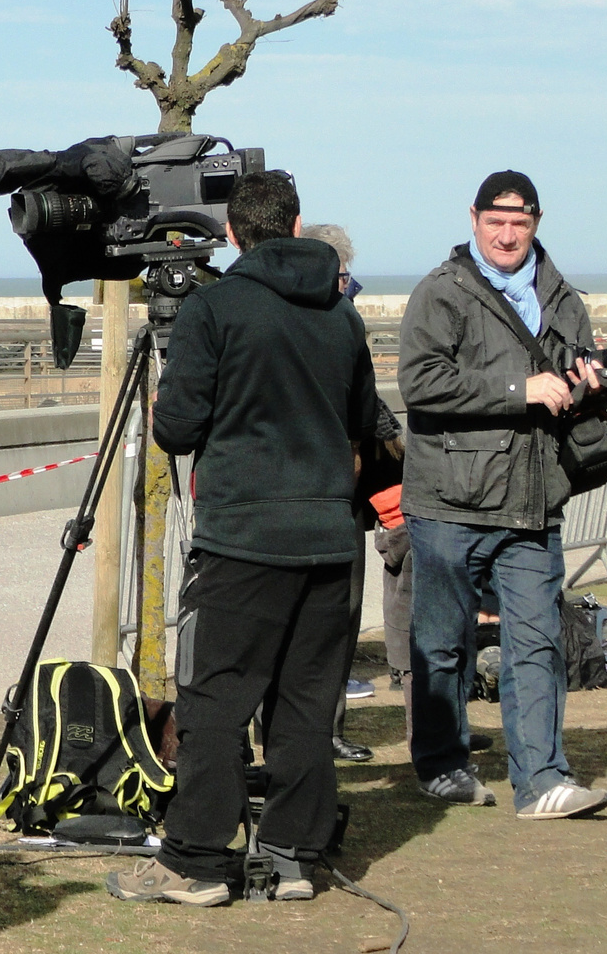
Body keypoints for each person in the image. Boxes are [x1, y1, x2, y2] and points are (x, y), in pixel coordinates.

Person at [107, 172, 377, 907]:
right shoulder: (340, 315)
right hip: (328, 539)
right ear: (294, 228)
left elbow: (176, 427)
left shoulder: (215, 307)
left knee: (215, 700)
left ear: (232, 234)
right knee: (305, 702)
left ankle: (194, 859)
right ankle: (291, 854)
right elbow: (363, 420)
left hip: (242, 541)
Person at [399, 170, 607, 819]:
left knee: (536, 638)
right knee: (441, 640)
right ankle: (441, 764)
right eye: (495, 221)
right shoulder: (441, 291)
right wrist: (517, 390)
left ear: (535, 223)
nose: (506, 234)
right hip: (449, 500)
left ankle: (541, 778)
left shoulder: (560, 294)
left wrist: (589, 387)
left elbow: (573, 376)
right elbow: (419, 383)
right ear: (472, 219)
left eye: (519, 223)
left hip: (532, 495)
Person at [298, 223, 376, 763]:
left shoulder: (348, 322)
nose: (351, 286)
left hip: (345, 494)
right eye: (345, 275)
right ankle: (300, 734)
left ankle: (330, 727)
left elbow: (369, 407)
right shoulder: (310, 324)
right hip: (312, 489)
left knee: (345, 616)